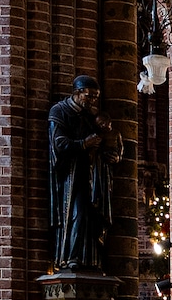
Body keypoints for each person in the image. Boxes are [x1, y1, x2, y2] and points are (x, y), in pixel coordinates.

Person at [49, 72, 121, 271]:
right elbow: (59, 143)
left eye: (95, 97)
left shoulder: (92, 116)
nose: (92, 101)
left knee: (93, 216)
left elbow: (107, 138)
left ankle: (91, 260)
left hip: (94, 175)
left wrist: (111, 156)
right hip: (71, 176)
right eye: (89, 96)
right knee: (77, 214)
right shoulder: (60, 111)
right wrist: (83, 144)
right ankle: (71, 257)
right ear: (77, 93)